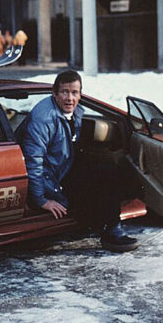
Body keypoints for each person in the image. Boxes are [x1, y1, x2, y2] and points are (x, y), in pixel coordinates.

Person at [17, 70, 139, 252]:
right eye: (65, 92)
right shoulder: (43, 119)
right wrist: (42, 200)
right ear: (55, 93)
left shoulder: (74, 112)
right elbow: (33, 164)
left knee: (110, 166)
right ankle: (111, 230)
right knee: (105, 176)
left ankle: (102, 220)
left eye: (74, 93)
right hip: (52, 179)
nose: (70, 98)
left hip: (62, 167)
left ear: (80, 94)